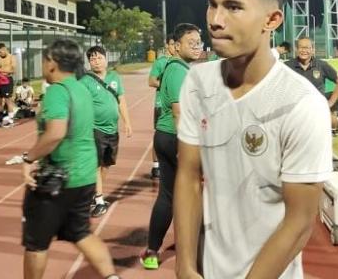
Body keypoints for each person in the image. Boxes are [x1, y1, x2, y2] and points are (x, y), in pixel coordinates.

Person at [174, 0, 332, 278]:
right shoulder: (197, 83)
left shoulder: (301, 104)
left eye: (233, 7)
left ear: (272, 20)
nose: (216, 21)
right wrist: (185, 266)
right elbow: (188, 176)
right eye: (212, 5)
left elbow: (300, 221)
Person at [19, 39, 118, 279]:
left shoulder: (57, 91)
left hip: (59, 179)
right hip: (85, 177)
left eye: (44, 61)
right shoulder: (82, 88)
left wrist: (29, 158)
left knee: (36, 242)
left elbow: (55, 134)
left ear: (52, 63)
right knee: (81, 232)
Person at [140, 23, 202, 270]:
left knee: (169, 194)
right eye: (191, 42)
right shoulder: (177, 70)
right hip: (175, 137)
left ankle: (152, 251)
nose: (197, 46)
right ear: (176, 46)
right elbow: (179, 113)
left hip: (167, 137)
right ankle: (192, 251)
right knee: (186, 194)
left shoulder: (180, 68)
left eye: (199, 41)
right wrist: (186, 148)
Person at [80, 45, 132, 218]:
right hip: (95, 129)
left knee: (106, 164)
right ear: (89, 62)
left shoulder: (114, 77)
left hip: (112, 129)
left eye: (99, 57)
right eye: (92, 59)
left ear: (106, 58)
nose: (96, 61)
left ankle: (94, 194)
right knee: (96, 164)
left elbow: (121, 100)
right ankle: (99, 199)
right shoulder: (85, 81)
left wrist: (127, 122)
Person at [285, 37, 338, 132]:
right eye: (301, 47)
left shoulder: (322, 65)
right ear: (296, 49)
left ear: (313, 50)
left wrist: (331, 102)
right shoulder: (287, 66)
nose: (304, 50)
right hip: (295, 115)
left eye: (307, 48)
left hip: (317, 114)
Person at [147, 35, 177, 179]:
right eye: (172, 44)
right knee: (159, 135)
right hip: (161, 105)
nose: (174, 47)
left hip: (175, 104)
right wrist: (167, 85)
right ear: (167, 46)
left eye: (176, 44)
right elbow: (151, 81)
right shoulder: (161, 62)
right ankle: (155, 166)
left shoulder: (178, 62)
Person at [0, 43, 17, 126]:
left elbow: (13, 71)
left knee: (8, 100)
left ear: (4, 49)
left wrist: (2, 71)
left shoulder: (12, 57)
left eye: (0, 52)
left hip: (7, 80)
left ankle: (11, 119)